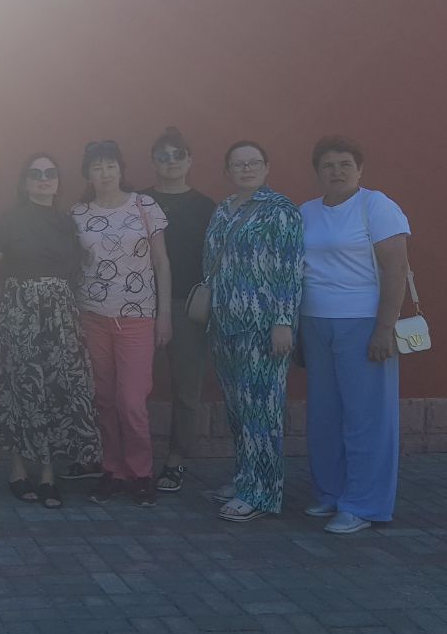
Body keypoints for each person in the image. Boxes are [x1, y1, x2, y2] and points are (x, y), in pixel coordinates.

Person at [299, 136, 410, 534]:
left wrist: (384, 329)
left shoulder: (376, 206)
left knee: (367, 417)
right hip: (315, 322)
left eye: (345, 164)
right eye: (328, 165)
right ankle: (331, 492)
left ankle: (364, 505)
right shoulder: (306, 211)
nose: (337, 172)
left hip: (363, 322)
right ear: (317, 172)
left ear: (360, 169)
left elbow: (396, 270)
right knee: (325, 415)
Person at [0, 153, 98, 509]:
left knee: (56, 390)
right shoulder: (10, 220)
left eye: (50, 173)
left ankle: (48, 474)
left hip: (61, 317)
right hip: (19, 315)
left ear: (58, 181)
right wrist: (10, 305)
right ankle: (17, 470)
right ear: (25, 182)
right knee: (20, 389)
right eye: (35, 174)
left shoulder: (67, 222)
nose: (43, 179)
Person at [204, 140, 303, 523]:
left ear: (266, 167)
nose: (246, 168)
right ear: (228, 170)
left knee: (262, 409)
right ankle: (246, 477)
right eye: (238, 163)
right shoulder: (222, 210)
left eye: (253, 162)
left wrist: (283, 322)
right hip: (225, 325)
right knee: (238, 409)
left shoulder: (281, 210)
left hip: (263, 327)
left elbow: (290, 269)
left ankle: (262, 493)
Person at [71, 141, 171, 508]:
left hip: (137, 317)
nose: (105, 173)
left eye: (110, 165)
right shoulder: (78, 213)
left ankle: (141, 472)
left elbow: (161, 263)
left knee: (131, 400)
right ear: (88, 174)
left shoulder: (145, 206)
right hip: (92, 316)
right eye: (97, 167)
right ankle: (112, 470)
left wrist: (164, 315)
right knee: (104, 398)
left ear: (121, 169)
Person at [141, 128, 216, 494]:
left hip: (187, 307)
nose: (171, 161)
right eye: (163, 155)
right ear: (153, 162)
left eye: (178, 155)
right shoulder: (139, 202)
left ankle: (176, 459)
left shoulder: (207, 207)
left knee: (186, 388)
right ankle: (126, 459)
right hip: (138, 304)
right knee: (128, 386)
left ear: (190, 160)